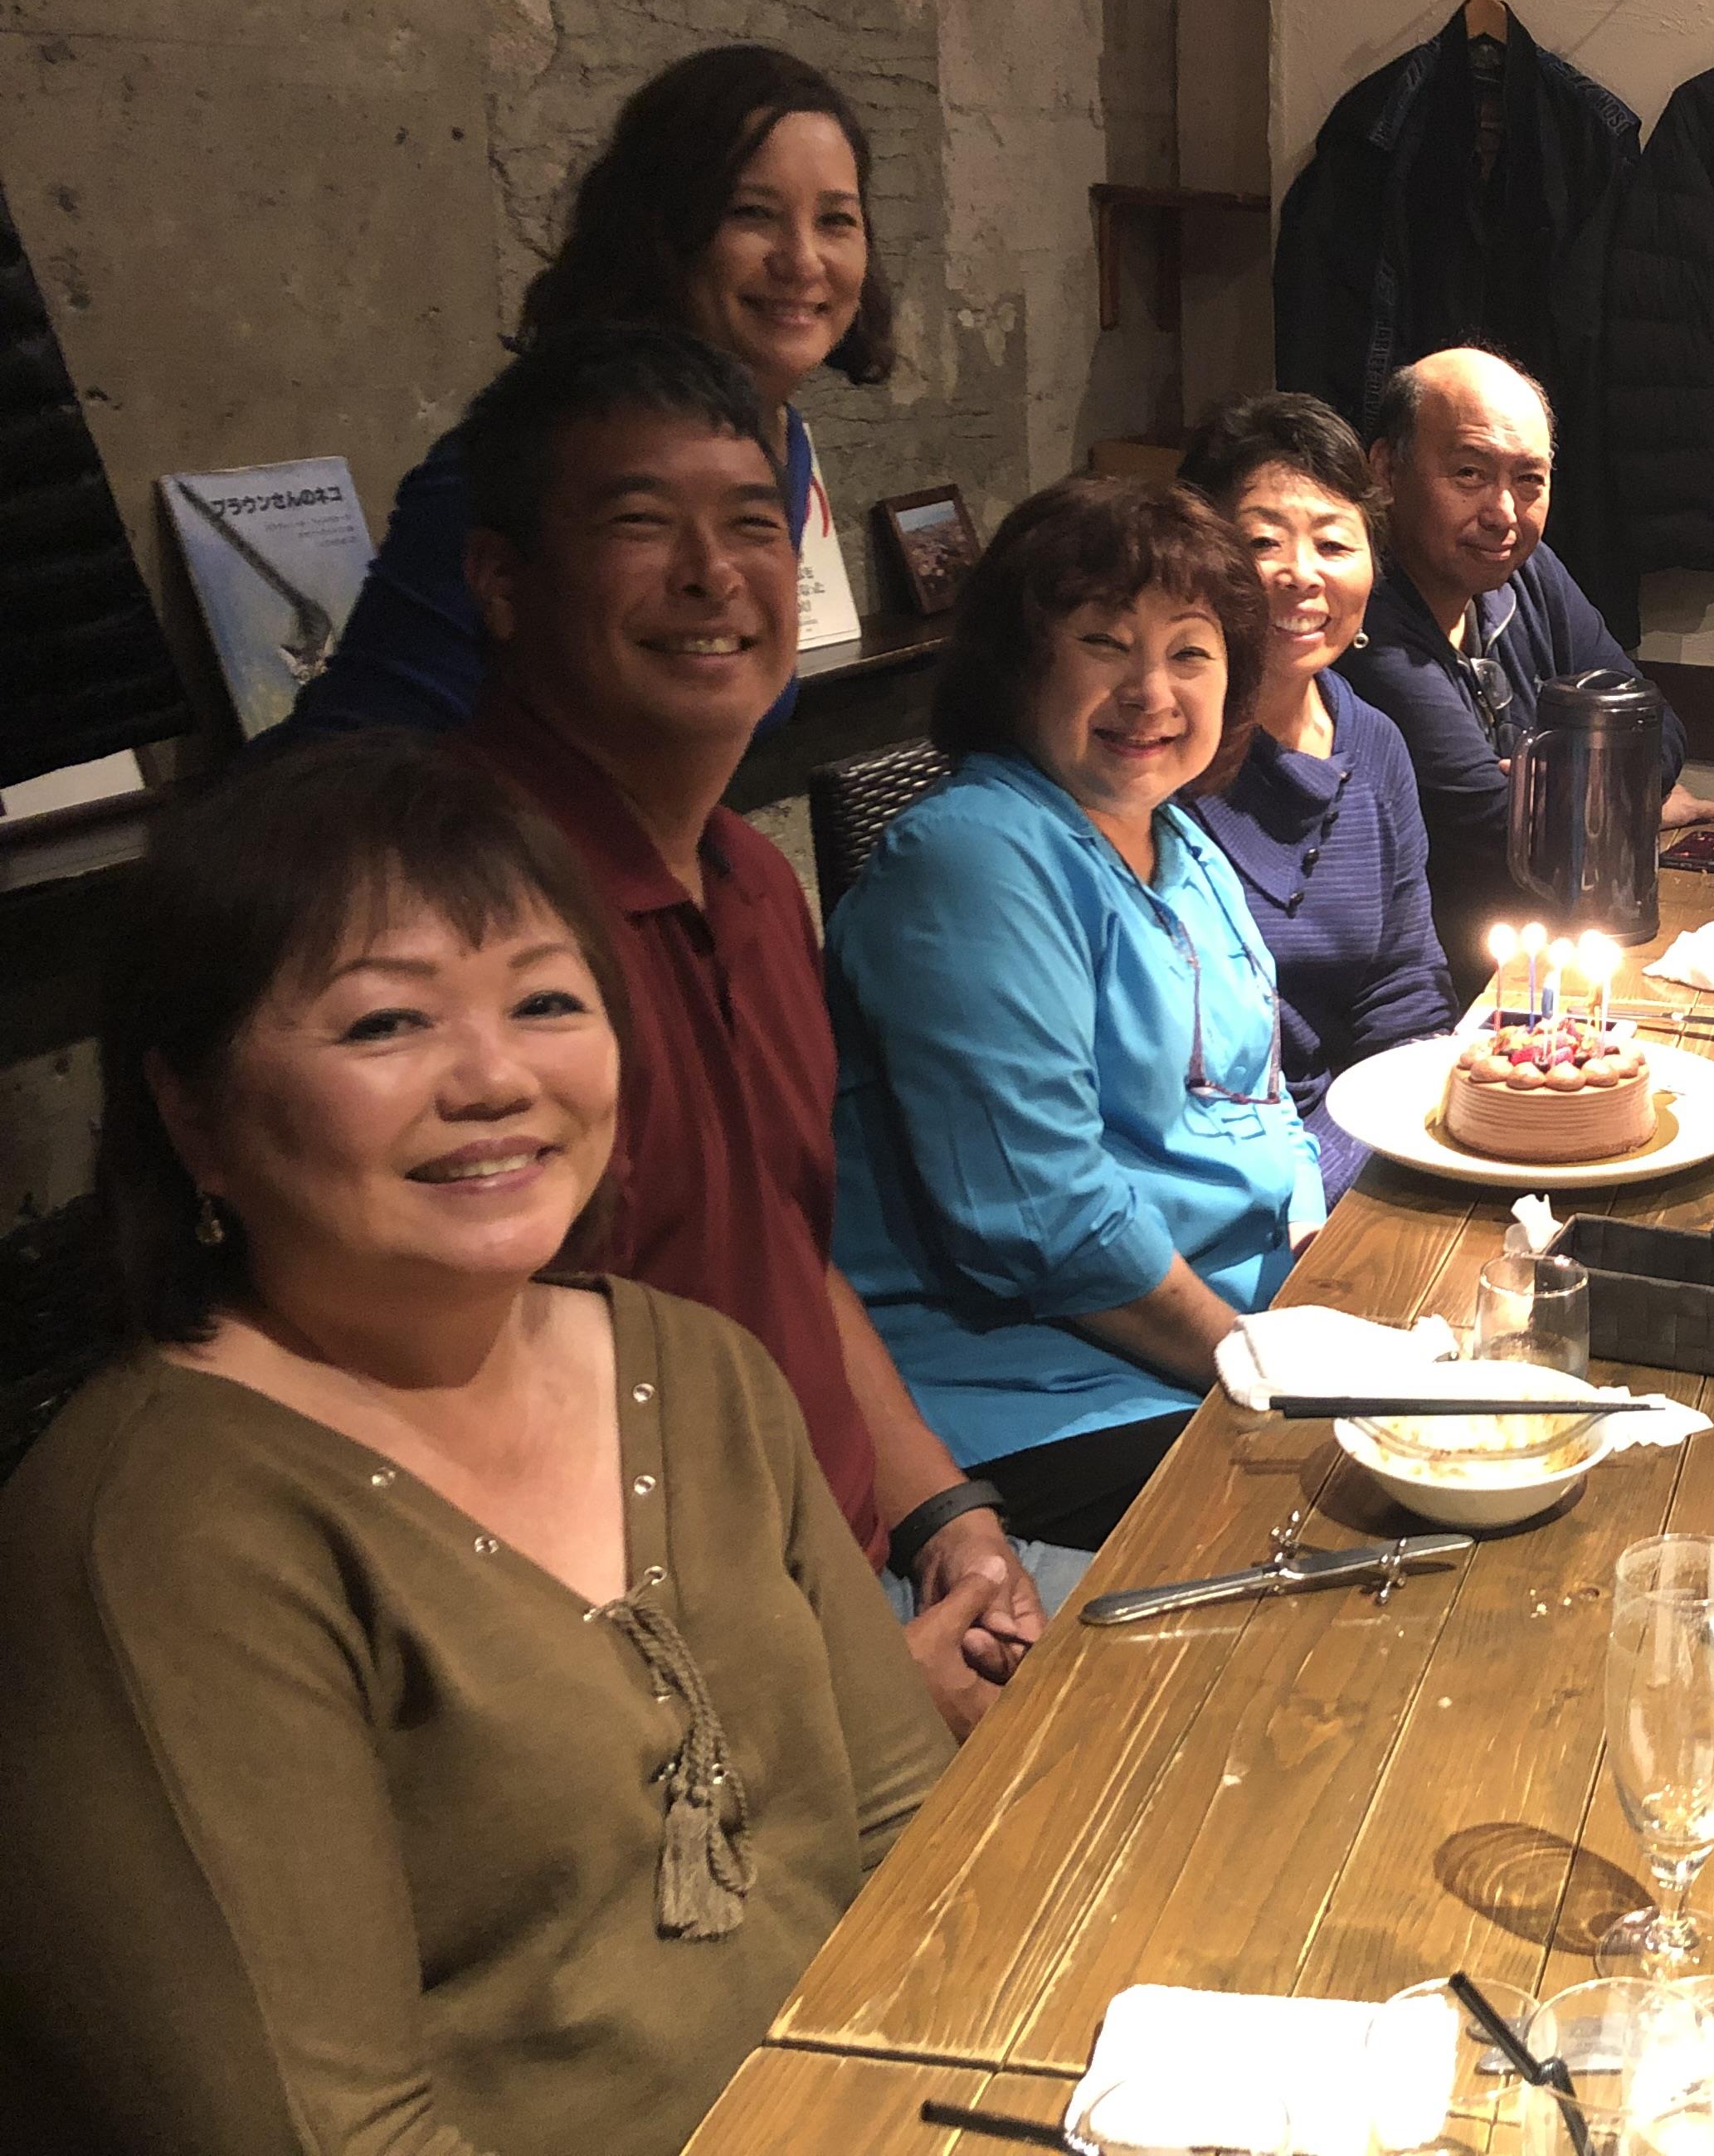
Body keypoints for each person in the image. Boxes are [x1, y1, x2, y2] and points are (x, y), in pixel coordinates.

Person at [0, 735, 949, 2156]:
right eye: (387, 1023)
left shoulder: (693, 1363)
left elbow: (907, 1831)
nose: (495, 1076)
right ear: (191, 1110)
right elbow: (335, 2132)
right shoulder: (165, 1529)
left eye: (548, 999)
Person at [450, 325, 1040, 1734]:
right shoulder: (460, 920)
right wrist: (829, 1704)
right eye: (642, 524)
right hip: (665, 1711)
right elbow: (456, 1466)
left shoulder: (756, 881)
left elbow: (789, 1248)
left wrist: (943, 1506)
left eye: (753, 527)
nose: (713, 575)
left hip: (853, 1584)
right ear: (502, 582)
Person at [825, 479, 1322, 1614]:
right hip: (1042, 1393)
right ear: (1019, 666)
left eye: (1192, 655)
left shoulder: (1174, 837)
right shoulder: (976, 859)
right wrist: (1266, 1366)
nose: (1151, 693)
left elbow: (1264, 1097)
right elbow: (1045, 1223)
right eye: (1104, 644)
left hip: (1206, 1344)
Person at [297, 45, 888, 737]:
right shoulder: (523, 457)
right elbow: (357, 762)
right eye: (751, 213)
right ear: (661, 231)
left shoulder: (777, 439)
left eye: (836, 220)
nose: (803, 259)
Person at [1337, 345, 1714, 985]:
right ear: (1386, 469)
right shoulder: (1364, 616)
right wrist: (1629, 804)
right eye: (1468, 473)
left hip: (1556, 954)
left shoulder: (1529, 573)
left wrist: (1570, 799)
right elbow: (1494, 830)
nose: (1504, 514)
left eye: (1530, 479)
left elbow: (1656, 725)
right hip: (1448, 986)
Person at [1176, 393, 1456, 1200]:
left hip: (1355, 1139)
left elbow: (1405, 997)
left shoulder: (1376, 745)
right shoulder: (1154, 753)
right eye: (1263, 541)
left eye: (1335, 542)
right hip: (1205, 1171)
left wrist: (1345, 1157)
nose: (1303, 574)